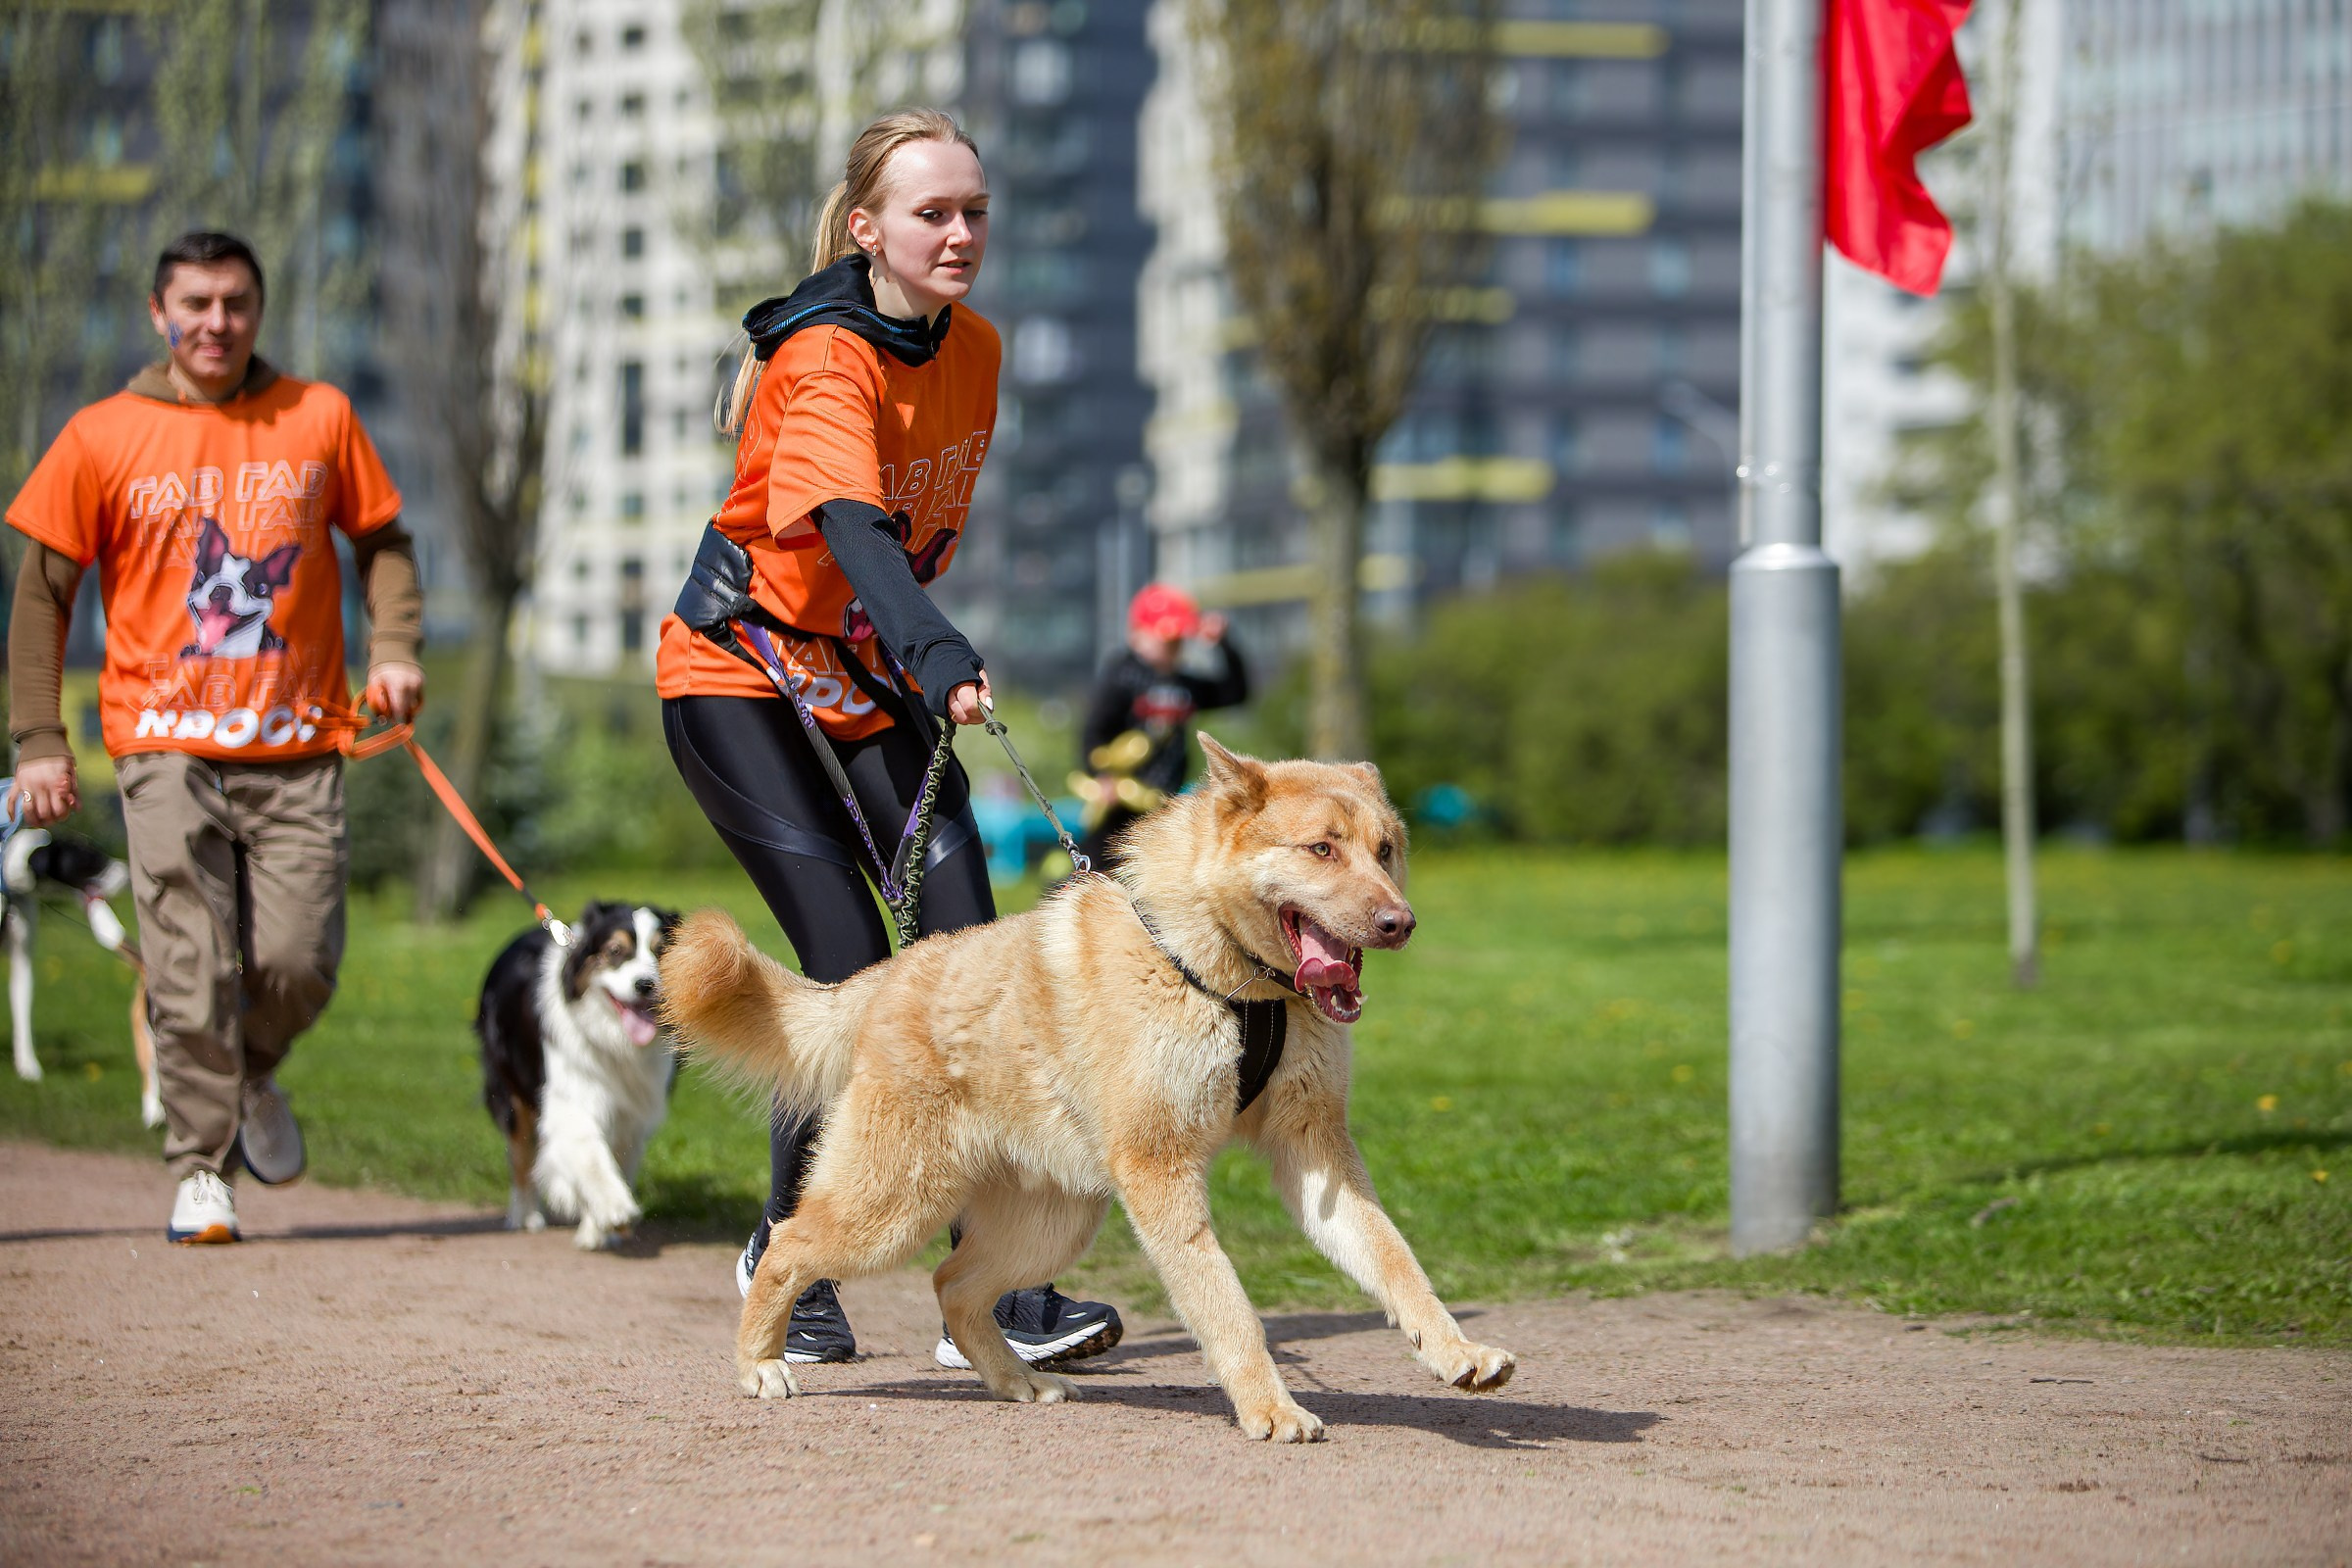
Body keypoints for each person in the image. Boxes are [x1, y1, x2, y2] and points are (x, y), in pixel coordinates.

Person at [659, 109, 1121, 1371]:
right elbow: (855, 529)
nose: (961, 233)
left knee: (977, 966)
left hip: (866, 668)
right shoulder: (824, 356)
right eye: (933, 213)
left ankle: (1001, 1288)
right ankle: (790, 1255)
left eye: (976, 212)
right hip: (739, 671)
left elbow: (908, 546)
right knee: (850, 965)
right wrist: (936, 645)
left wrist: (911, 651)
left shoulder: (977, 348)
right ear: (868, 229)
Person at [5, 231, 424, 1244]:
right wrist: (38, 739)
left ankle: (250, 1074)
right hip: (162, 743)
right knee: (187, 961)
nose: (216, 322)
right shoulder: (101, 434)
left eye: (234, 302)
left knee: (300, 958)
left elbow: (382, 542)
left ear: (257, 310)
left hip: (299, 740)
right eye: (194, 303)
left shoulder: (319, 416)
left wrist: (395, 648)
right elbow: (43, 591)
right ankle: (200, 1164)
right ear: (159, 313)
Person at [1073, 583, 1251, 871]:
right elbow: (1095, 730)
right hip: (1122, 796)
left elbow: (1235, 693)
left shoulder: (1182, 683)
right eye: (1166, 639)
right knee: (1101, 866)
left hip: (1162, 797)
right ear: (1137, 634)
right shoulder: (1122, 675)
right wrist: (1100, 776)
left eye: (1178, 640)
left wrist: (1224, 644)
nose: (1173, 646)